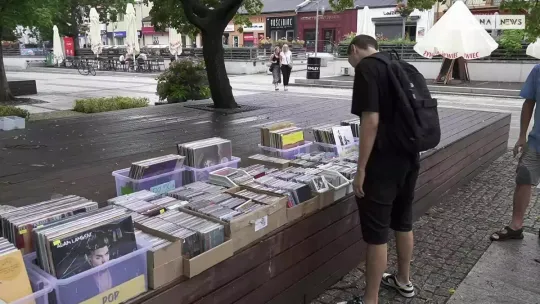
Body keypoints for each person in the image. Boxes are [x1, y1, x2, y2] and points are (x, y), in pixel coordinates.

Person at [339, 35, 419, 304]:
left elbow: (370, 120)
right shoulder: (399, 64)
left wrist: (361, 168)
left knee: (376, 234)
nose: (351, 65)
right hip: (409, 156)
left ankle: (370, 300)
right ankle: (403, 280)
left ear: (354, 50)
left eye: (350, 60)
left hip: (383, 162)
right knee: (403, 221)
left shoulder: (367, 67)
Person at [491, 64, 540, 242]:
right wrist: (521, 136)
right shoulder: (538, 70)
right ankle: (516, 227)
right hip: (536, 141)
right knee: (523, 178)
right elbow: (529, 103)